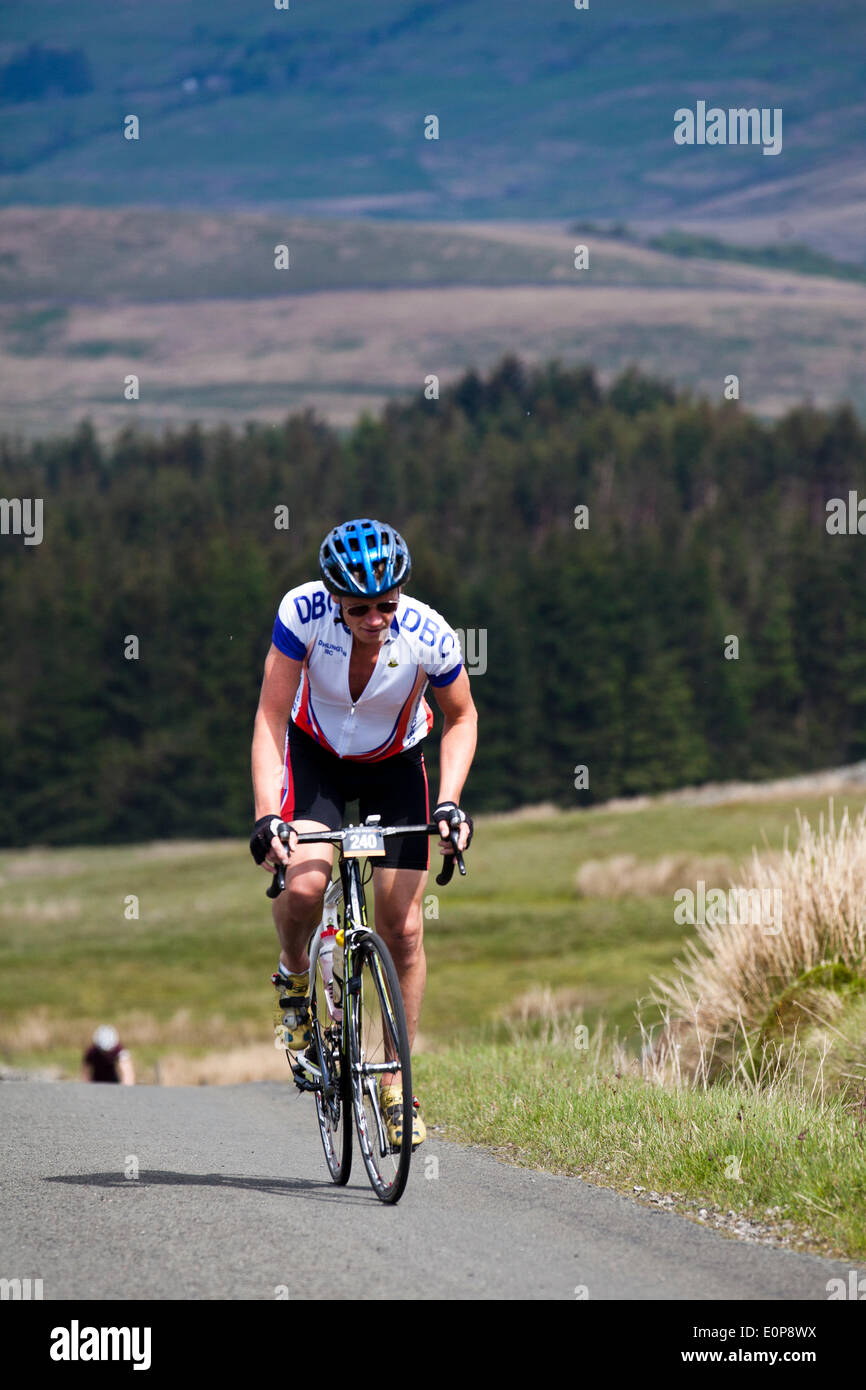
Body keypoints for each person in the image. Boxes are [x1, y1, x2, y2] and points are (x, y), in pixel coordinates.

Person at [250, 518, 477, 1147]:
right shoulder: (302, 614)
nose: (375, 618)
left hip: (396, 765)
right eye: (359, 608)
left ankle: (396, 1082)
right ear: (334, 599)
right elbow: (271, 716)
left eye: (386, 605)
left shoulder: (430, 634)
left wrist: (451, 803)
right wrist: (269, 813)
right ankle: (295, 978)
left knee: (401, 928)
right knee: (302, 888)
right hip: (315, 757)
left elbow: (461, 717)